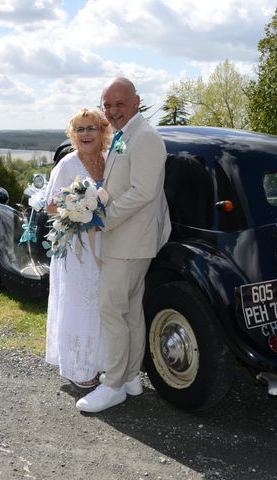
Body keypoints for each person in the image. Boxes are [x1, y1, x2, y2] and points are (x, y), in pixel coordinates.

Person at [76, 77, 171, 413]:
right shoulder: (124, 135)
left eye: (119, 104)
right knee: (130, 311)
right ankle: (131, 377)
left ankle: (112, 384)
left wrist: (103, 217)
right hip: (129, 239)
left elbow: (143, 191)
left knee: (111, 311)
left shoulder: (144, 137)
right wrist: (91, 201)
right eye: (108, 105)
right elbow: (118, 185)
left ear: (136, 102)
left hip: (130, 239)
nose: (113, 111)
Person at [44, 108, 112, 389]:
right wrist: (76, 209)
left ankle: (104, 363)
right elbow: (50, 204)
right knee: (79, 303)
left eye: (91, 128)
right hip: (76, 248)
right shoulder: (68, 165)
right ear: (73, 135)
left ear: (103, 132)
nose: (85, 134)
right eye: (80, 130)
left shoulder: (110, 161)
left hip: (106, 245)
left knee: (102, 304)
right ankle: (79, 366)